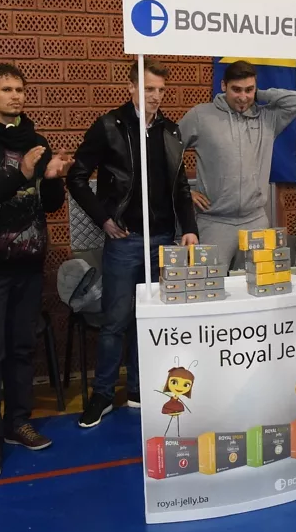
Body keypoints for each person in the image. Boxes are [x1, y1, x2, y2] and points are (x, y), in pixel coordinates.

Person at [0, 64, 72, 479]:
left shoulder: (35, 140)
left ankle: (18, 423)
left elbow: (49, 204)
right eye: (6, 89)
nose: (16, 95)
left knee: (22, 348)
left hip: (28, 263)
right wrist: (19, 174)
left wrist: (53, 178)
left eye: (20, 89)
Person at [68, 59, 199, 428]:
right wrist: (104, 218)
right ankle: (103, 394)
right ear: (131, 87)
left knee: (150, 318)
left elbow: (180, 186)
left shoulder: (170, 131)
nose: (155, 96)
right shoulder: (110, 126)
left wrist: (189, 227)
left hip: (163, 238)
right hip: (126, 239)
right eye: (148, 88)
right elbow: (76, 177)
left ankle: (140, 388)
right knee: (115, 320)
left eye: (160, 90)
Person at [180, 60, 296, 272]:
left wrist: (259, 95)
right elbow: (169, 154)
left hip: (255, 220)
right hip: (214, 223)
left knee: (257, 287)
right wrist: (184, 191)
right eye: (236, 89)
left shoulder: (267, 118)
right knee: (210, 286)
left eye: (249, 90)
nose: (243, 97)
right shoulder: (201, 116)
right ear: (223, 86)